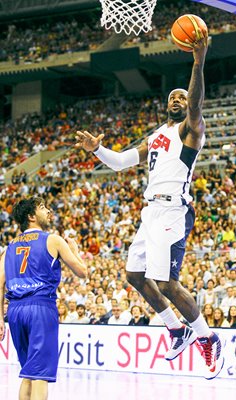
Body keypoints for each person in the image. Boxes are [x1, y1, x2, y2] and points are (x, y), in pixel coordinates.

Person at [75, 28, 224, 379]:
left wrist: (198, 63)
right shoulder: (157, 135)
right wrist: (97, 150)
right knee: (134, 275)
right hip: (150, 210)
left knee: (168, 282)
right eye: (172, 97)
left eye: (182, 98)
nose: (177, 100)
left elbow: (197, 100)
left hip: (174, 209)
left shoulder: (191, 130)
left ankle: (208, 337)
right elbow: (123, 162)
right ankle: (176, 329)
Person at [0, 197, 86, 400]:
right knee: (39, 375)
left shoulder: (10, 247)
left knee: (28, 372)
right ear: (31, 217)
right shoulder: (53, 239)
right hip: (40, 307)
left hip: (15, 311)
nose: (49, 210)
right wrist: (74, 251)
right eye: (42, 208)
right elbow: (82, 272)